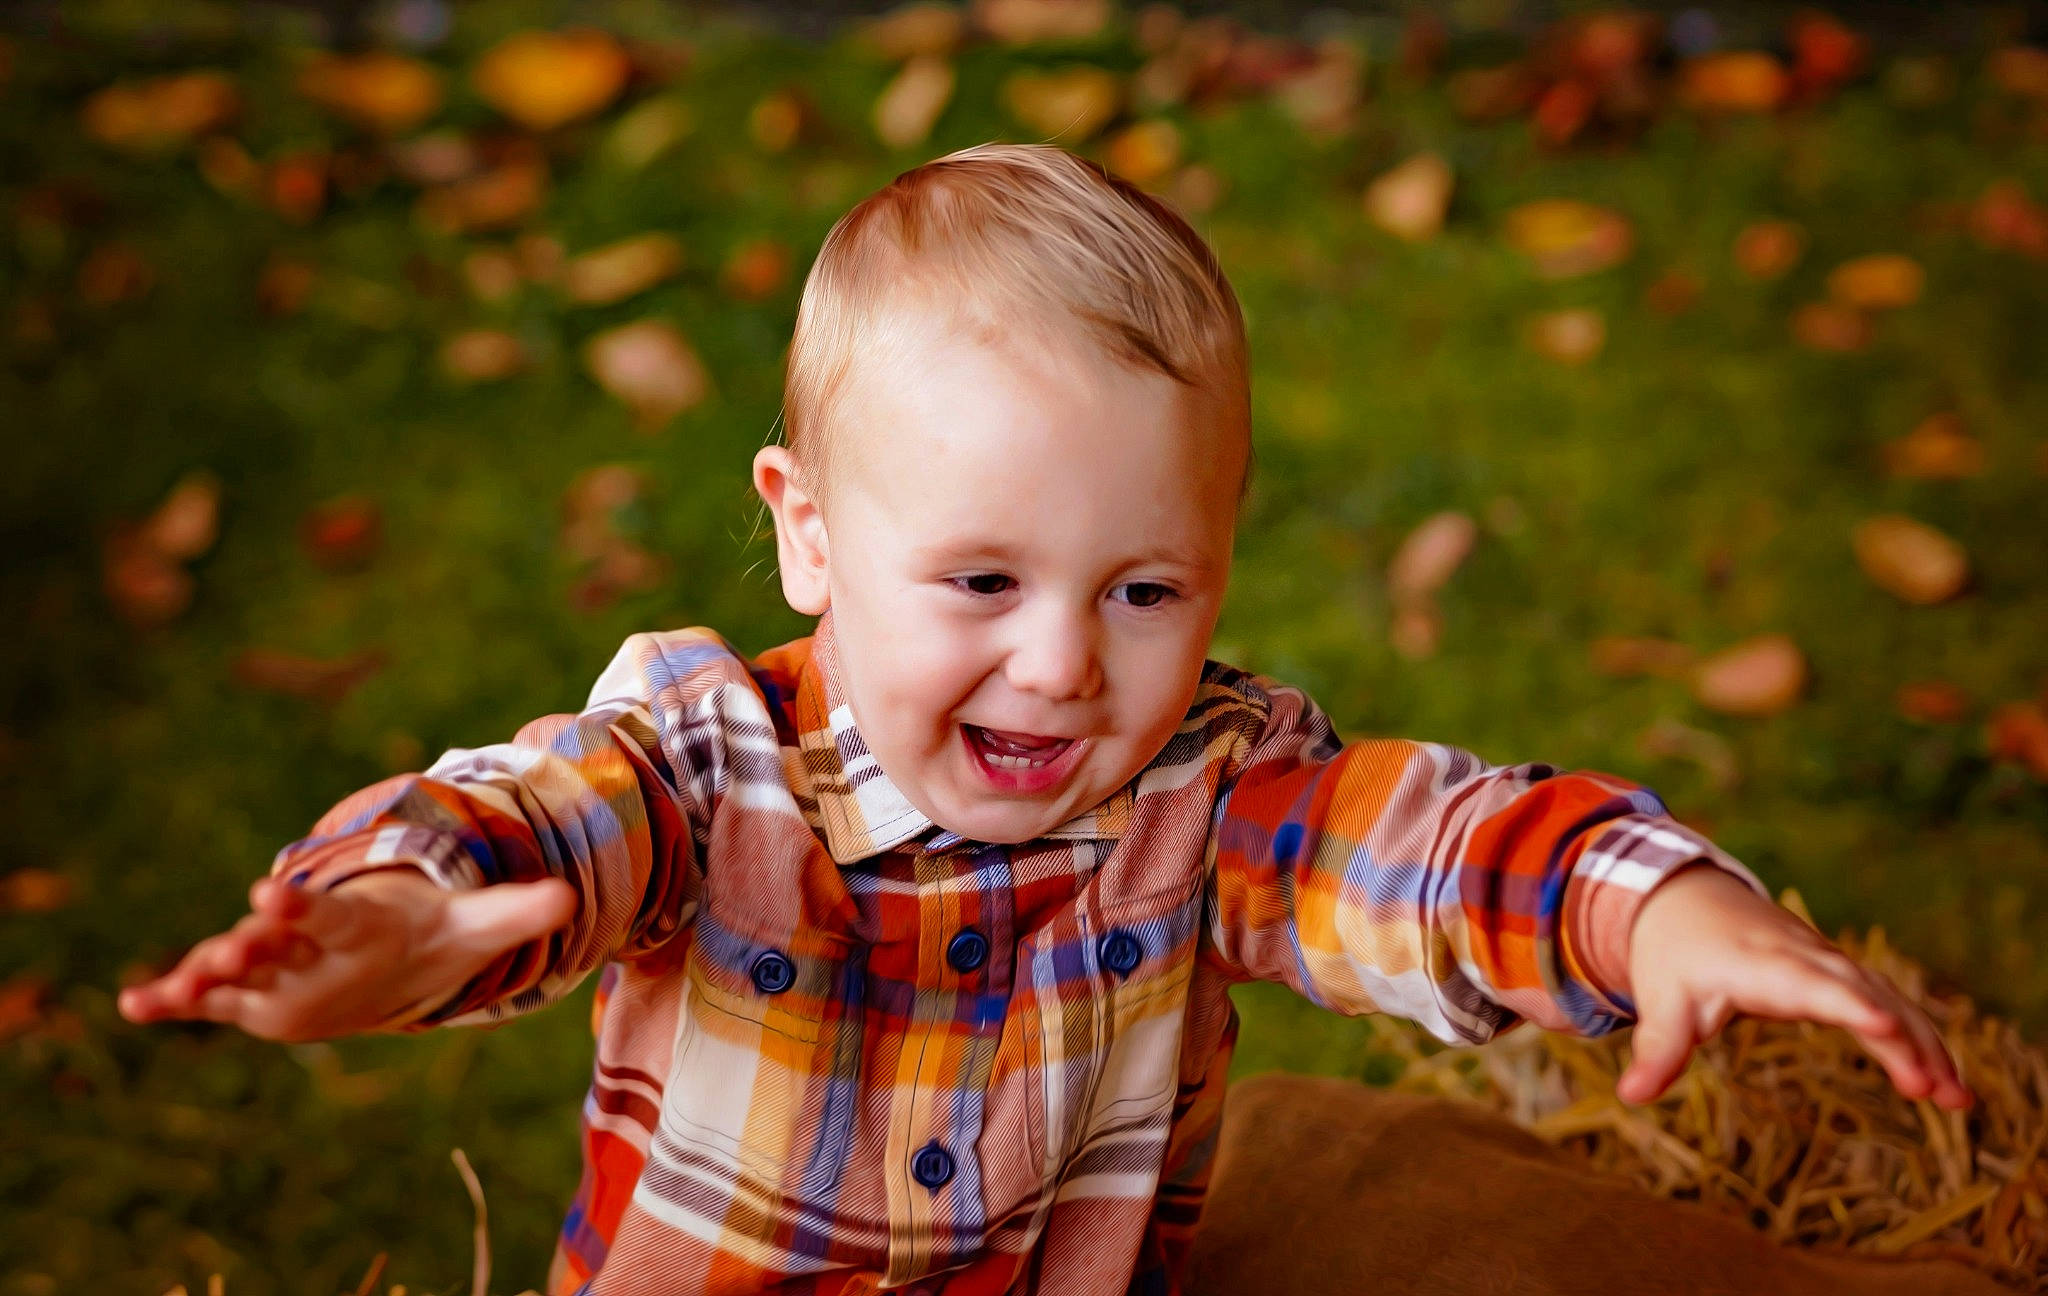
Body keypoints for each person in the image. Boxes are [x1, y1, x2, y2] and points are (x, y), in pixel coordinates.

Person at [118, 143, 1971, 1296]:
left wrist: (1653, 907)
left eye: (1146, 590)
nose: (1068, 665)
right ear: (810, 535)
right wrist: (383, 919)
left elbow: (1426, 850)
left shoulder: (1208, 787)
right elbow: (534, 824)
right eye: (984, 583)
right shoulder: (707, 759)